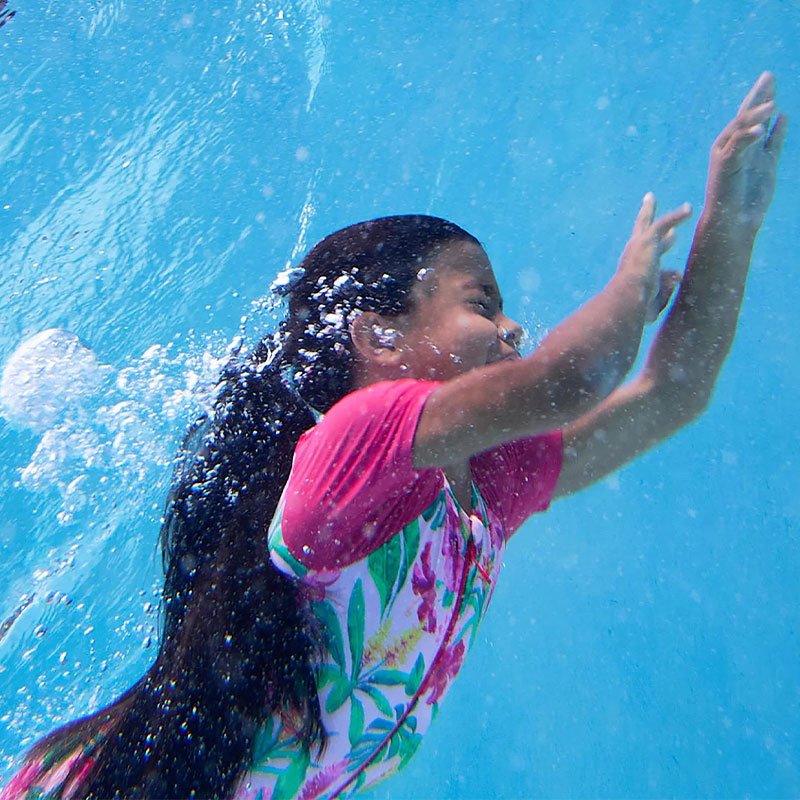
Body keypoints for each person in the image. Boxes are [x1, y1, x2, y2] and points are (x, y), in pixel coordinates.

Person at [1, 72, 786, 800]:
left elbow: (670, 394)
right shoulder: (351, 449)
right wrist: (628, 287)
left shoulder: (482, 494)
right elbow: (576, 377)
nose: (513, 327)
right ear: (378, 335)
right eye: (482, 303)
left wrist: (733, 220)